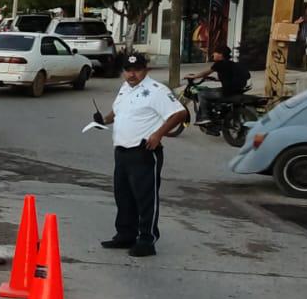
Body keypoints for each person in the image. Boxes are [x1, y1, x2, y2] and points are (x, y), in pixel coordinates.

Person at [92, 53, 188, 258]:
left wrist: (158, 134)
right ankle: (126, 234)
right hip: (122, 150)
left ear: (146, 70)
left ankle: (147, 240)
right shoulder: (125, 88)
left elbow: (179, 113)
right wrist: (104, 119)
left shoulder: (156, 91)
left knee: (145, 198)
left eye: (136, 70)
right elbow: (118, 112)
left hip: (144, 151)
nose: (132, 74)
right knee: (123, 196)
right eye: (128, 70)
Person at [185, 45, 249, 129]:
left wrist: (193, 76)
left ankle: (205, 117)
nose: (213, 54)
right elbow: (228, 76)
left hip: (227, 91)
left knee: (202, 93)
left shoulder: (219, 64)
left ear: (221, 54)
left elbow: (205, 73)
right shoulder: (230, 63)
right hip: (236, 90)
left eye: (215, 53)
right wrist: (216, 79)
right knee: (209, 91)